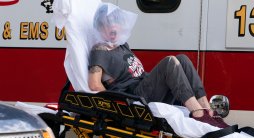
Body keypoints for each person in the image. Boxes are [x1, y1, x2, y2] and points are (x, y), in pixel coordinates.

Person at [87, 3, 228, 128]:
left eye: (116, 22)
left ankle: (207, 110)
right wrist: (116, 107)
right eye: (108, 24)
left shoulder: (121, 44)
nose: (113, 27)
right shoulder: (100, 50)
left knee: (182, 59)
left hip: (145, 87)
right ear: (99, 28)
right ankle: (198, 114)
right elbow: (94, 84)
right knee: (169, 62)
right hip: (135, 97)